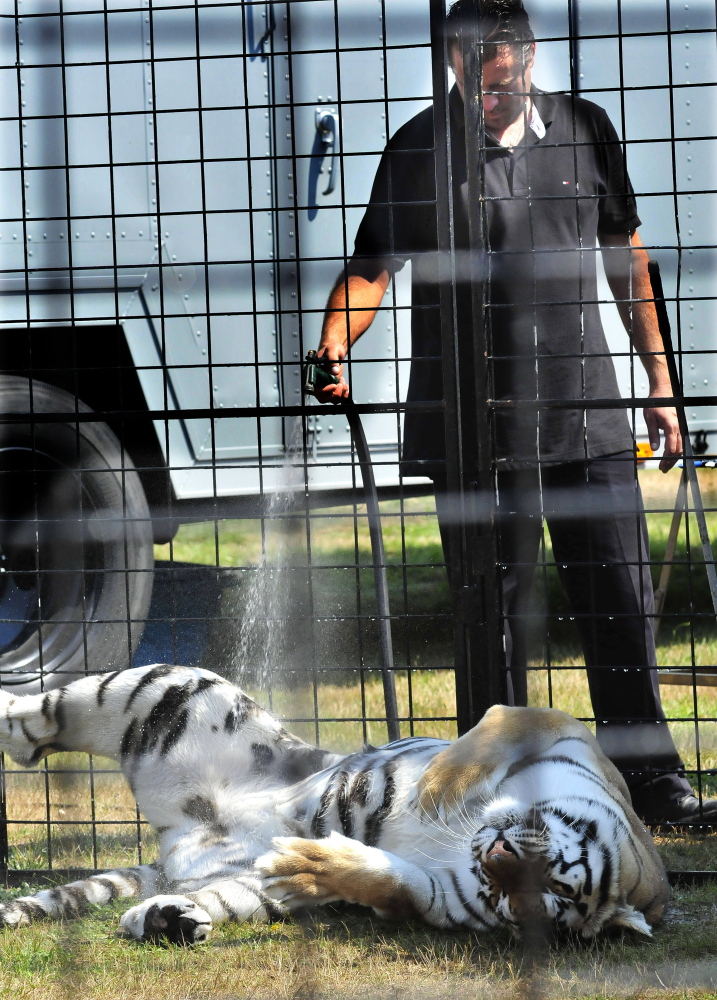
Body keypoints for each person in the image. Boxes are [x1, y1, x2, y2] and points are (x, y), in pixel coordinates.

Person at [313, 0, 716, 824]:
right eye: (466, 81)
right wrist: (333, 341)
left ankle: (653, 785)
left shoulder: (584, 128)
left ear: (527, 58)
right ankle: (493, 795)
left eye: (496, 84)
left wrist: (659, 381)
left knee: (619, 604)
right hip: (471, 429)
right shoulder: (420, 147)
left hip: (585, 416)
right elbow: (370, 270)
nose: (482, 99)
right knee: (486, 616)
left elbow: (627, 259)